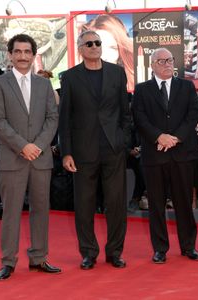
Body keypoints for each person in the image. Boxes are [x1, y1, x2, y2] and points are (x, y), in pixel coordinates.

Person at [0, 34, 60, 280]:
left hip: (40, 158)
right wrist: (23, 146)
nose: (22, 56)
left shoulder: (44, 84)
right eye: (17, 51)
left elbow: (53, 118)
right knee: (11, 211)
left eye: (27, 51)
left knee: (41, 209)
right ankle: (8, 261)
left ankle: (39, 258)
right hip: (12, 158)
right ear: (10, 54)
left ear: (33, 55)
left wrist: (37, 146)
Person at [59, 30, 131, 270]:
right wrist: (66, 151)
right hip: (82, 150)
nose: (94, 46)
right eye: (88, 43)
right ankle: (88, 252)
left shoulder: (117, 73)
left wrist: (123, 140)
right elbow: (65, 117)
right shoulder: (69, 77)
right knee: (84, 205)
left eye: (97, 43)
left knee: (117, 203)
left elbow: (125, 112)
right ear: (80, 48)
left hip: (113, 148)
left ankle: (115, 252)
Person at [132, 48, 198, 264]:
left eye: (170, 60)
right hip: (155, 156)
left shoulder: (187, 86)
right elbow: (139, 118)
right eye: (161, 61)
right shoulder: (142, 90)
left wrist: (175, 138)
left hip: (182, 154)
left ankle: (189, 246)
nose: (166, 64)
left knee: (183, 204)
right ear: (152, 65)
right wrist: (159, 137)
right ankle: (160, 249)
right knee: (156, 205)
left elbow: (193, 115)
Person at [80, 14, 134, 91]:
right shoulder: (75, 79)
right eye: (99, 46)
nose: (105, 56)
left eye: (113, 48)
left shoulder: (128, 82)